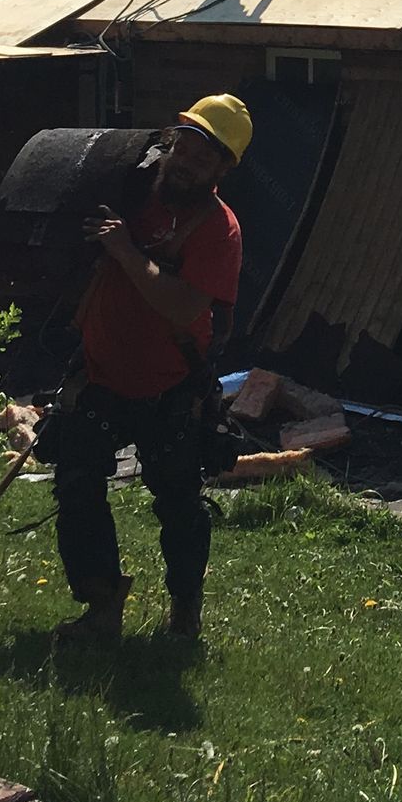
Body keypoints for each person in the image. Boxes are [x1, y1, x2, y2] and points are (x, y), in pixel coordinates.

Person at [50, 95, 252, 642]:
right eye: (184, 145)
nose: (186, 160)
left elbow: (186, 308)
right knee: (76, 488)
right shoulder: (130, 188)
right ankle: (101, 605)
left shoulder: (219, 230)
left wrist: (124, 251)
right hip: (97, 372)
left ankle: (185, 609)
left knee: (180, 504)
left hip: (169, 387)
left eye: (203, 157)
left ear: (222, 170)